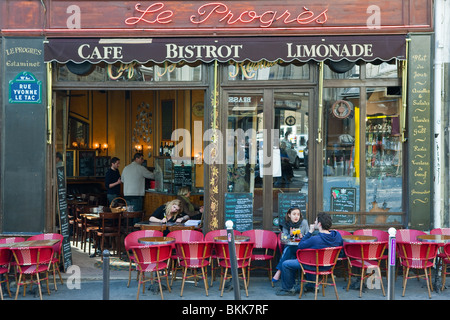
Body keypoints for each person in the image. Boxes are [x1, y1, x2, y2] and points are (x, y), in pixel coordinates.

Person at [275, 212, 343, 296]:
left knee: (286, 264)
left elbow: (300, 245)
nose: (314, 222)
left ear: (319, 224)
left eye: (315, 221)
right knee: (312, 259)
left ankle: (288, 289)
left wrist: (310, 231)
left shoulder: (315, 239)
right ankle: (312, 286)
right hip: (329, 266)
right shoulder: (337, 236)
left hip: (314, 266)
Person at [272, 207, 309, 282]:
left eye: (298, 214)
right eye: (294, 214)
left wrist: (301, 236)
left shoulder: (304, 222)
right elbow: (284, 239)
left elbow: (309, 236)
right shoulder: (286, 224)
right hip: (291, 247)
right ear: (289, 215)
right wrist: (291, 235)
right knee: (289, 249)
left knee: (288, 250)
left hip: (303, 248)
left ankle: (279, 271)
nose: (296, 216)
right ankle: (282, 274)